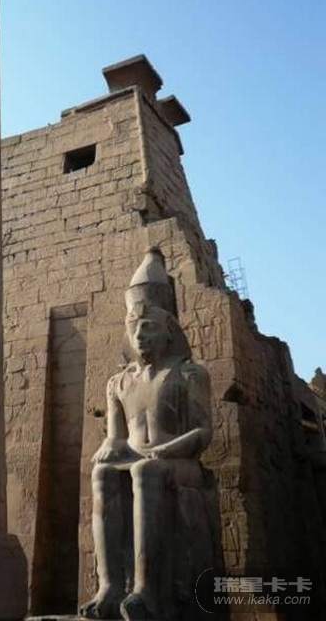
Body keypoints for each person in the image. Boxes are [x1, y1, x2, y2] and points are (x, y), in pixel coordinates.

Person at [80, 248, 212, 621]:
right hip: (141, 458)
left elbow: (203, 433)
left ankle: (147, 590)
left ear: (169, 330)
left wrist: (166, 450)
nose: (139, 335)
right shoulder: (119, 382)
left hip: (180, 463)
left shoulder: (189, 374)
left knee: (145, 471)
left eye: (148, 326)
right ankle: (109, 587)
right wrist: (109, 446)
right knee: (103, 474)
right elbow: (116, 437)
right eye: (133, 326)